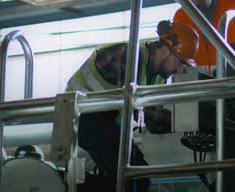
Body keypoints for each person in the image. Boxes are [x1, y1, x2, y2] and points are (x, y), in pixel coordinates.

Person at [66, 20, 199, 191]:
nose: (181, 70)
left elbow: (154, 123)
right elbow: (137, 108)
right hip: (82, 114)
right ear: (165, 50)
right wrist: (188, 120)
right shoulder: (128, 55)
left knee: (140, 175)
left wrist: (192, 123)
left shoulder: (159, 76)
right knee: (126, 170)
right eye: (180, 62)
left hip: (107, 118)